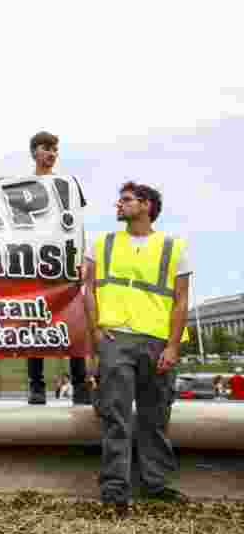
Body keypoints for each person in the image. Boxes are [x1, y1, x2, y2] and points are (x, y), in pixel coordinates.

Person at [83, 181, 191, 508]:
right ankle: (115, 492)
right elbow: (87, 291)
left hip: (158, 343)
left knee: (155, 416)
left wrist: (172, 346)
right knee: (116, 415)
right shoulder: (101, 244)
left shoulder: (175, 248)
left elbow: (181, 301)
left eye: (126, 200)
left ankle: (155, 486)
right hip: (116, 338)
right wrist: (97, 334)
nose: (118, 204)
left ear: (145, 205)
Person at [24, 132, 91, 405]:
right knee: (34, 323)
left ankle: (81, 383)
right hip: (35, 262)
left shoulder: (67, 185)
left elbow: (77, 224)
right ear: (34, 152)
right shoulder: (23, 186)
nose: (51, 154)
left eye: (55, 149)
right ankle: (36, 386)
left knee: (73, 321)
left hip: (64, 261)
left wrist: (83, 257)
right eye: (45, 148)